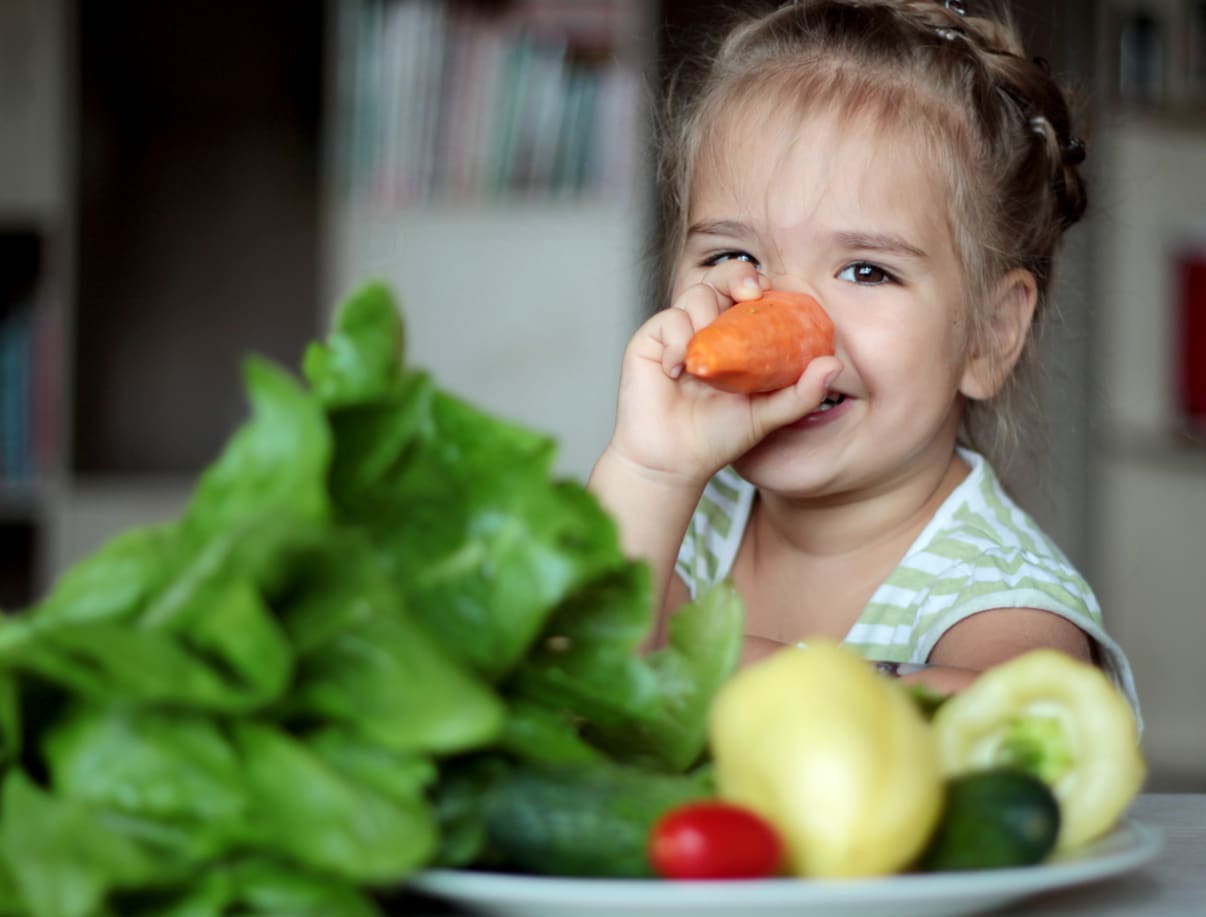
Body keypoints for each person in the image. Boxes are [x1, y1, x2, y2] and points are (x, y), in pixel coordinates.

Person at [588, 0, 1139, 706]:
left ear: (989, 334)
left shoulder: (994, 587)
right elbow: (573, 668)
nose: (787, 313)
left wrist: (684, 656)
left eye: (867, 270)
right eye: (733, 254)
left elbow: (1032, 722)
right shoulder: (692, 517)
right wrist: (651, 469)